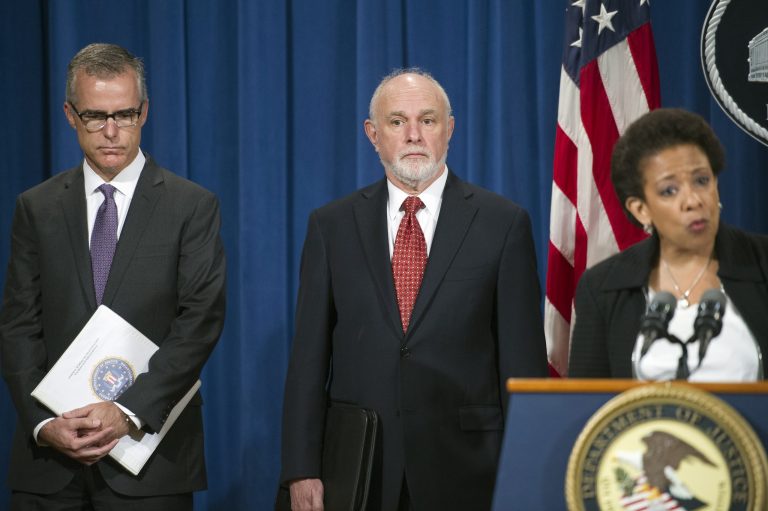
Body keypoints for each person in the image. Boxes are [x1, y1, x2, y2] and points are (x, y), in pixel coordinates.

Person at [279, 68, 548, 511]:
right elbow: (308, 359)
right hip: (362, 467)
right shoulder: (331, 226)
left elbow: (522, 365)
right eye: (397, 121)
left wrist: (528, 472)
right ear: (373, 133)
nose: (413, 135)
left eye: (428, 120)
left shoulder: (503, 223)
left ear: (450, 129)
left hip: (471, 470)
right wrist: (301, 467)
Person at [0, 43, 226, 509]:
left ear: (144, 112)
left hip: (150, 462)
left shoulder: (191, 206)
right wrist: (44, 423)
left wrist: (127, 411)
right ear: (69, 114)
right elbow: (19, 323)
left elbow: (199, 321)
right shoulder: (36, 208)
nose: (110, 132)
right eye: (94, 116)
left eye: (123, 115)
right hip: (49, 469)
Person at [569, 108, 768, 380]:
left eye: (701, 180)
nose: (694, 201)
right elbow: (586, 408)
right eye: (669, 190)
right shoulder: (604, 287)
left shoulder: (762, 264)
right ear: (641, 209)